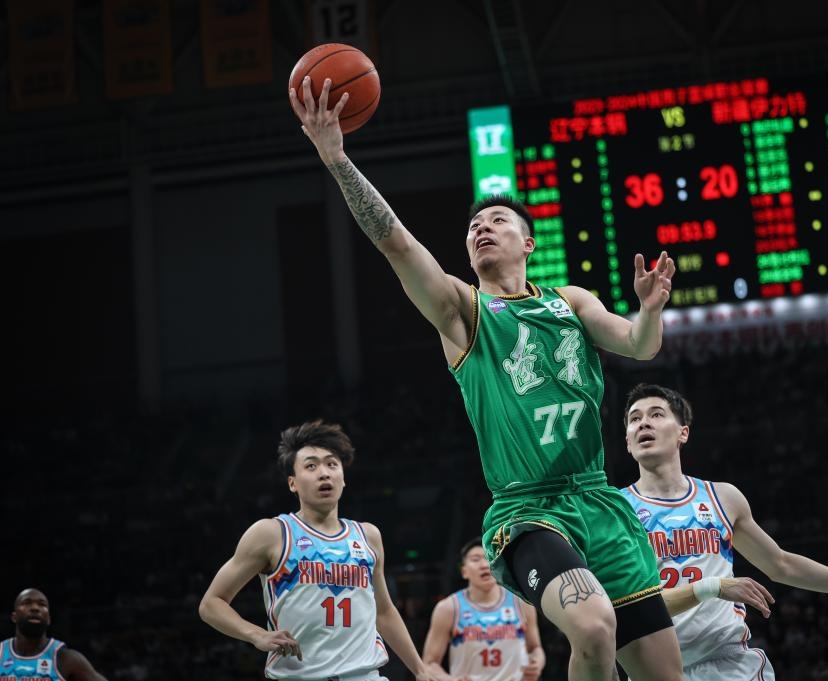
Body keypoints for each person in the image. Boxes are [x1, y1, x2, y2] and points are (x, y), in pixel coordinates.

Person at [291, 78, 684, 681]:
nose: (481, 228)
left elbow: (639, 345)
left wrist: (650, 309)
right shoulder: (465, 313)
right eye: (473, 226)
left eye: (496, 220)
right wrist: (338, 160)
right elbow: (397, 244)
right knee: (592, 626)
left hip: (600, 502)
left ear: (527, 242)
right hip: (529, 511)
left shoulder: (571, 300)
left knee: (665, 675)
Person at [618, 383, 828, 681]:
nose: (644, 423)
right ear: (628, 443)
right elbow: (626, 607)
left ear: (683, 433)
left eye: (656, 414)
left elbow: (781, 564)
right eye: (635, 419)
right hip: (655, 672)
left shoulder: (722, 498)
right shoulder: (616, 511)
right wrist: (712, 587)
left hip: (729, 665)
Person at [198, 419, 438, 681]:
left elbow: (384, 611)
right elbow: (211, 604)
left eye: (332, 464)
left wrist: (420, 670)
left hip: (365, 675)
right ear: (292, 483)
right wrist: (257, 635)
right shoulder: (272, 534)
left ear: (343, 479)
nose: (324, 473)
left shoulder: (368, 536)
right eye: (311, 466)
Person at [422, 538, 545, 681]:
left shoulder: (522, 601)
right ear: (464, 571)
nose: (484, 565)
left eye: (489, 558)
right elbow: (429, 664)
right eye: (475, 559)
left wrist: (537, 663)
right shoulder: (448, 608)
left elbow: (536, 648)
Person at [1, 588, 108, 681]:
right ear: (14, 617)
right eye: (27, 603)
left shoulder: (66, 658)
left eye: (42, 604)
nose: (35, 608)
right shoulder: (1, 653)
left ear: (48, 619)